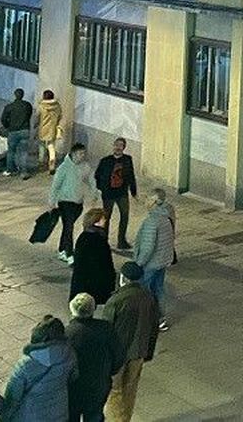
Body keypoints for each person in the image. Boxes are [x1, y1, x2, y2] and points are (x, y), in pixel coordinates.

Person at [99, 262, 161, 422]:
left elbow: (107, 330)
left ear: (123, 278)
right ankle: (126, 417)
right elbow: (153, 328)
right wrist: (149, 352)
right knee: (130, 388)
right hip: (139, 351)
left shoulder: (116, 300)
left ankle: (117, 420)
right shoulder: (149, 297)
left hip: (118, 355)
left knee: (115, 390)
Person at [0, 315, 76, 422]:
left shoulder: (27, 363)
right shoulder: (69, 353)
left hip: (29, 416)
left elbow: (12, 397)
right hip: (59, 413)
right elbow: (73, 377)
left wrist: (4, 419)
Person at [66, 293, 124, 422]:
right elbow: (118, 355)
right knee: (95, 416)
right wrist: (110, 372)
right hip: (98, 385)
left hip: (73, 389)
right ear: (93, 309)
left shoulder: (67, 333)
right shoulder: (106, 328)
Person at [132, 189, 176, 329]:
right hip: (162, 261)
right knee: (158, 289)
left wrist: (138, 264)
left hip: (150, 263)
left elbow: (148, 247)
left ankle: (147, 319)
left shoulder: (152, 221)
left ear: (154, 202)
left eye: (147, 199)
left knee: (144, 291)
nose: (145, 202)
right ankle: (161, 319)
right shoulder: (167, 216)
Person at [93, 140, 138, 252]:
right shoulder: (105, 161)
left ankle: (121, 241)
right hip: (108, 193)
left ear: (124, 147)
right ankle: (104, 241)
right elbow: (97, 175)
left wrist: (133, 191)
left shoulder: (127, 160)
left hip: (122, 192)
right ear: (113, 146)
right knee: (107, 217)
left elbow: (131, 175)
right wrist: (101, 188)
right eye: (116, 145)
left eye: (121, 146)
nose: (118, 147)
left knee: (125, 215)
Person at [51, 143, 89, 264]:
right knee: (69, 227)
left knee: (68, 227)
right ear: (73, 154)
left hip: (78, 202)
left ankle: (62, 249)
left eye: (84, 153)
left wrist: (93, 194)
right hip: (65, 202)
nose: (82, 156)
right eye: (80, 153)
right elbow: (55, 185)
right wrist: (52, 202)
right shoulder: (64, 168)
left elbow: (90, 180)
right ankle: (69, 253)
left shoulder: (85, 167)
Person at [70, 209, 117, 307]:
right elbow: (104, 260)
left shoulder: (85, 235)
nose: (105, 221)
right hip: (94, 278)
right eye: (103, 219)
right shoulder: (98, 238)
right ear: (97, 221)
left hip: (84, 278)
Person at [0, 87, 34, 177]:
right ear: (23, 95)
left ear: (15, 95)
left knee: (11, 151)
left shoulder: (9, 107)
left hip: (13, 131)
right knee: (23, 152)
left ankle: (11, 170)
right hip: (25, 130)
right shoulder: (27, 105)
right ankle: (23, 172)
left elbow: (3, 119)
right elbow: (29, 114)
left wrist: (7, 126)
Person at [36, 91, 65, 175]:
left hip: (42, 129)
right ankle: (52, 164)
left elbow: (37, 116)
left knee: (41, 145)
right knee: (51, 147)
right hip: (52, 129)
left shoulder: (41, 106)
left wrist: (35, 124)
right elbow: (60, 117)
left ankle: (41, 161)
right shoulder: (57, 106)